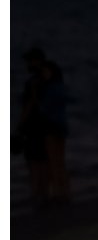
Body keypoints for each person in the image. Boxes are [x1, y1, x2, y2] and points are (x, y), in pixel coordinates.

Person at [18, 47, 69, 209]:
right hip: (57, 124)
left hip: (47, 126)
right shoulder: (55, 83)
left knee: (46, 162)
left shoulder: (37, 83)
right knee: (54, 161)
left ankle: (54, 194)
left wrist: (19, 125)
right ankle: (59, 193)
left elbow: (32, 105)